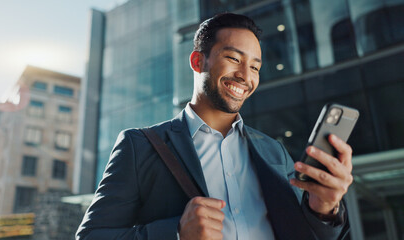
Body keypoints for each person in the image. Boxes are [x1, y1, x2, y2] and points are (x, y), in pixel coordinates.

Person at [76, 13, 352, 240]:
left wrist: (325, 210)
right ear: (198, 61)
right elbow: (91, 236)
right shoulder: (140, 145)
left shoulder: (273, 151)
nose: (245, 76)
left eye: (255, 67)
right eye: (233, 59)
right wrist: (176, 233)